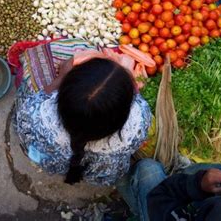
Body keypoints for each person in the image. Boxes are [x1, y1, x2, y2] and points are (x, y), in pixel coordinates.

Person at [11, 40, 152, 186]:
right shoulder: (139, 122)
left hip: (51, 159)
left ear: (61, 98)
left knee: (28, 86)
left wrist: (61, 77)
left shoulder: (36, 117)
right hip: (99, 171)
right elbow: (134, 96)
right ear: (124, 116)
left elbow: (37, 100)